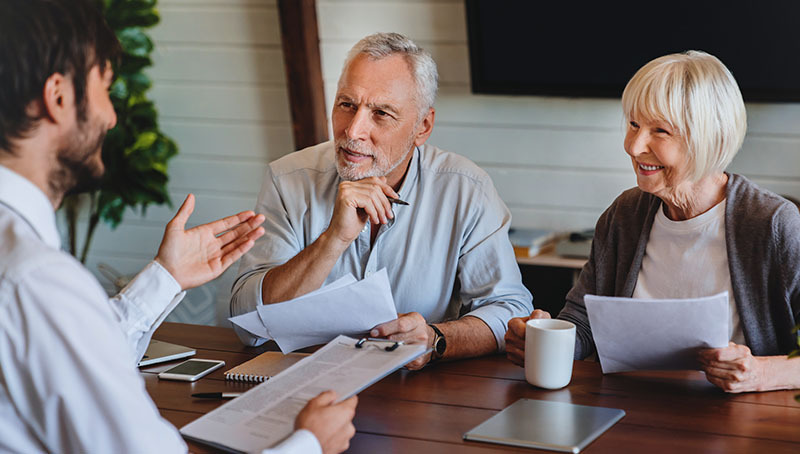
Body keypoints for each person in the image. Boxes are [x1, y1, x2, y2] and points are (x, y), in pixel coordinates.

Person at [0, 1, 356, 453]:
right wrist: (309, 444)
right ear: (59, 97)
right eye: (104, 89)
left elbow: (74, 357)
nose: (111, 116)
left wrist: (165, 277)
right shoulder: (37, 281)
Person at [230, 32, 532, 369]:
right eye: (347, 105)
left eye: (381, 113)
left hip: (418, 393)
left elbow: (511, 310)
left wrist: (436, 339)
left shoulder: (466, 189)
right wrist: (333, 240)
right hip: (306, 382)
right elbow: (247, 323)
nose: (353, 130)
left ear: (423, 126)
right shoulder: (287, 179)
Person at [505, 51, 800, 393]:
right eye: (633, 124)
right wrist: (544, 340)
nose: (633, 146)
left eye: (659, 130)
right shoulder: (624, 215)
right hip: (627, 411)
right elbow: (583, 323)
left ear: (710, 138)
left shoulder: (774, 225)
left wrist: (759, 373)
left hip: (738, 421)